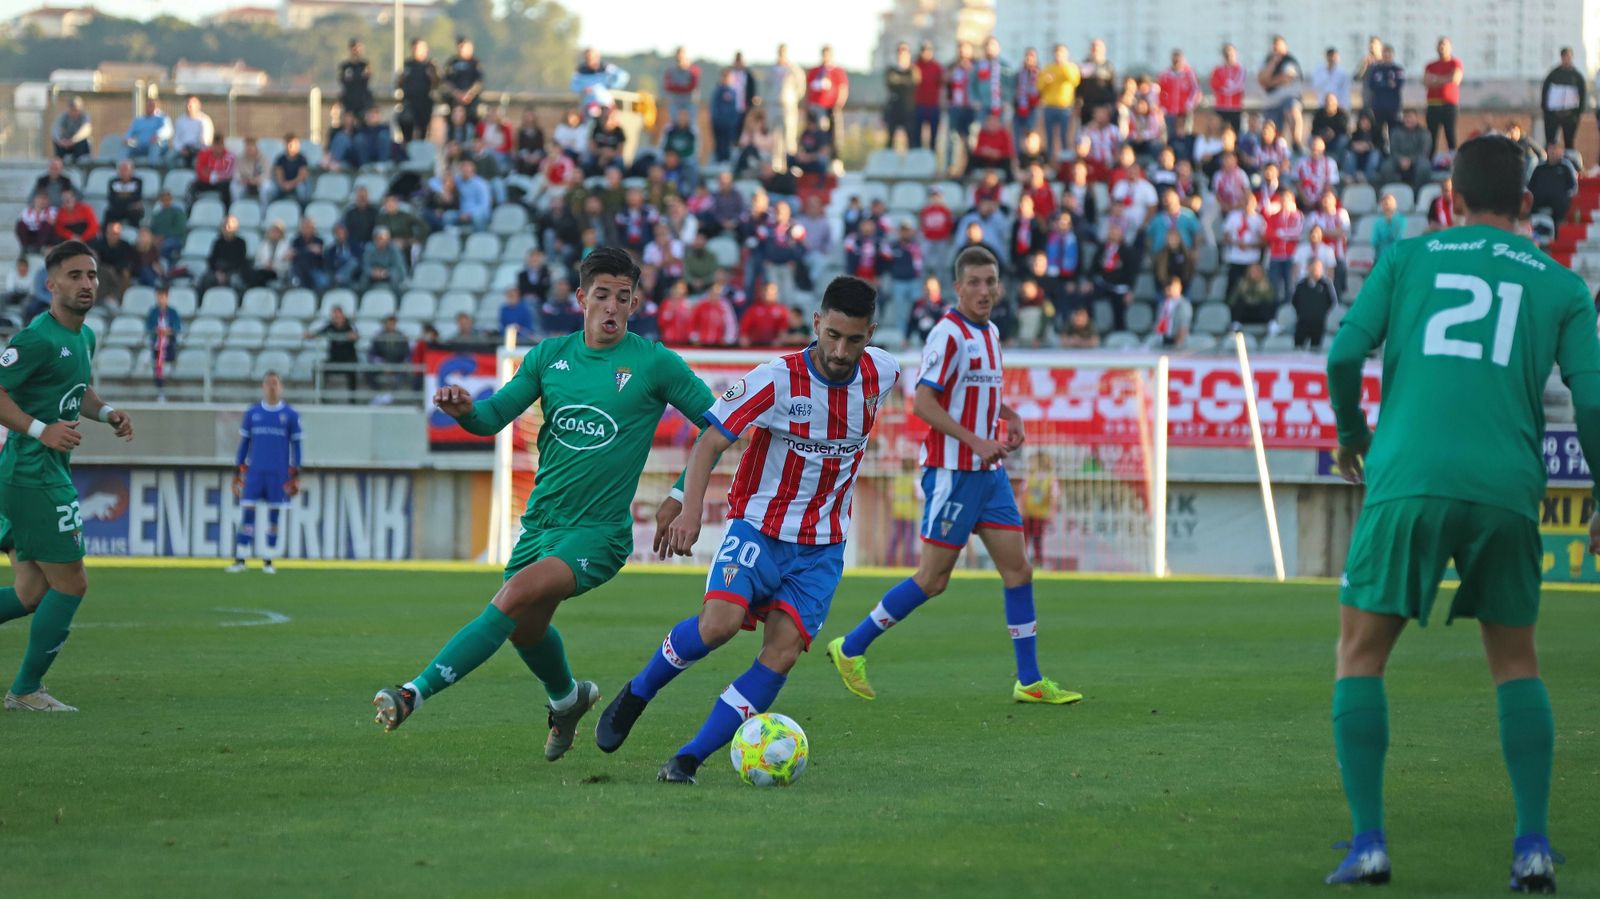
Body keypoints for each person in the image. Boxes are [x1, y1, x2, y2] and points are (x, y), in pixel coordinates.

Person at [1320, 134, 1600, 892]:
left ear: (1449, 195)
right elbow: (1594, 399)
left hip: (1408, 475)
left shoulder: (1409, 258)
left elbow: (1343, 357)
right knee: (1516, 662)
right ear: (1527, 205)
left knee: (1360, 653)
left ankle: (1371, 843)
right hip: (1508, 487)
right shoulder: (1562, 284)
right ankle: (1532, 845)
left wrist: (1354, 434)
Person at [370, 248, 718, 766]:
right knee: (526, 628)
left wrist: (678, 497)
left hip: (599, 533)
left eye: (623, 298)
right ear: (581, 298)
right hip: (541, 526)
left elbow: (719, 424)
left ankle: (410, 693)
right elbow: (492, 417)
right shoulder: (547, 357)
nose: (612, 308)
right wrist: (467, 412)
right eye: (602, 295)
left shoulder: (654, 362)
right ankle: (567, 700)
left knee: (513, 597)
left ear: (635, 303)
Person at [593, 276, 901, 784]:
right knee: (717, 625)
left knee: (779, 654)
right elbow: (710, 442)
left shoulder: (882, 373)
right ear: (817, 323)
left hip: (822, 548)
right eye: (833, 336)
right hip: (758, 529)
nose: (842, 351)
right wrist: (688, 508)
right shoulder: (776, 379)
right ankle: (638, 693)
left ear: (871, 333)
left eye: (855, 340)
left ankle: (688, 759)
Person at [828, 245, 1079, 705]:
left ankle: (1030, 680)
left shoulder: (991, 333)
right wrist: (976, 441)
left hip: (990, 474)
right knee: (932, 579)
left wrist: (1010, 415)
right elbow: (924, 401)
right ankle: (850, 647)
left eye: (991, 281)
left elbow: (977, 391)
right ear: (958, 287)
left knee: (1019, 570)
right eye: (975, 283)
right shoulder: (948, 334)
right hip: (954, 472)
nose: (985, 291)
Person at [0, 240, 136, 712]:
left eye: (92, 275)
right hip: (32, 471)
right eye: (75, 275)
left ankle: (25, 691)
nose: (86, 284)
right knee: (72, 583)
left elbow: (77, 391)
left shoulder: (84, 336)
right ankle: (25, 691)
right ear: (50, 284)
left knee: (31, 592)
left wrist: (109, 412)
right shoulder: (35, 338)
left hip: (45, 469)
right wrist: (42, 430)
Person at [227, 372, 302, 575]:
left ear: (281, 387)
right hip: (255, 472)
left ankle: (269, 560)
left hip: (278, 474)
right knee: (248, 513)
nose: (272, 387)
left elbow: (297, 445)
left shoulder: (290, 415)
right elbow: (244, 444)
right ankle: (241, 558)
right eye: (268, 383)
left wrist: (296, 472)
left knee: (274, 516)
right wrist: (238, 468)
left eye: (275, 383)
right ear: (262, 386)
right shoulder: (253, 413)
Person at [1528, 143, 1579, 241]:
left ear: (1561, 151)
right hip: (1539, 202)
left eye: (1556, 149)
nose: (1553, 152)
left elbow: (1573, 186)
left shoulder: (1565, 168)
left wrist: (1566, 196)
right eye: (1551, 149)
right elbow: (1531, 186)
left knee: (1560, 208)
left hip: (1559, 203)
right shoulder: (1539, 168)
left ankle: (1558, 238)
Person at [1423, 38, 1464, 159]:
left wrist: (1435, 79)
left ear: (1450, 47)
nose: (1442, 48)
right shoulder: (1430, 65)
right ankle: (1430, 162)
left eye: (1445, 45)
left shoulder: (1455, 63)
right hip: (1433, 105)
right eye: (1440, 45)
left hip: (1449, 105)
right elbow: (1426, 82)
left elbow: (1455, 80)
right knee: (1431, 137)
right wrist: (1445, 79)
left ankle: (1453, 164)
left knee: (1450, 135)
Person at [1039, 43, 1080, 162]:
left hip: (1065, 107)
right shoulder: (1048, 68)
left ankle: (1065, 159)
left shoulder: (1071, 67)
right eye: (1057, 53)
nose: (1059, 55)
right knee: (1049, 135)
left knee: (1064, 134)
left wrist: (1063, 66)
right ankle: (1049, 158)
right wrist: (1046, 81)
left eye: (1061, 53)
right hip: (1050, 106)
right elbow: (1039, 86)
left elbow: (1075, 80)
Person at [1540, 48, 1585, 150]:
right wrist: (1546, 110)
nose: (1566, 59)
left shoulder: (1577, 76)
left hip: (1570, 114)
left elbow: (1582, 95)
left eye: (1568, 56)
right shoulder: (1553, 74)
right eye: (1564, 56)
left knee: (1569, 142)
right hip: (1553, 114)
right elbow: (1545, 92)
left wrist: (1577, 113)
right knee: (1550, 141)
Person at [308, 306, 358, 397]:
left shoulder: (350, 325)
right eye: (334, 316)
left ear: (342, 315)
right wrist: (310, 335)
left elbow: (356, 336)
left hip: (348, 359)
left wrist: (352, 337)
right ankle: (321, 397)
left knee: (352, 370)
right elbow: (318, 333)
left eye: (338, 315)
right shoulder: (330, 326)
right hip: (334, 359)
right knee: (317, 368)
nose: (336, 318)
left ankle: (352, 399)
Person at [570, 47, 630, 121]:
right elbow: (573, 86)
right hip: (588, 107)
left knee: (609, 123)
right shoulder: (581, 71)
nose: (590, 60)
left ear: (598, 57)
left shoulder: (606, 69)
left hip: (606, 105)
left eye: (592, 57)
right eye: (588, 58)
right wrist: (583, 89)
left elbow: (623, 77)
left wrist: (613, 83)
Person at [398, 39, 440, 143]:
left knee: (422, 131)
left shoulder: (430, 65)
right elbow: (399, 84)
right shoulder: (407, 64)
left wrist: (433, 74)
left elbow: (437, 84)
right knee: (406, 124)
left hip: (424, 102)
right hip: (409, 101)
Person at [769, 44, 807, 157]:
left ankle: (790, 163)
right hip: (774, 105)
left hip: (788, 105)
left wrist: (794, 98)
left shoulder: (793, 69)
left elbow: (801, 86)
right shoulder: (772, 69)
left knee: (789, 136)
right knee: (774, 137)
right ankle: (774, 165)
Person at [1290, 257, 1336, 349]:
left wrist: (1321, 313)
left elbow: (1331, 302)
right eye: (1314, 267)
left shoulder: (1326, 285)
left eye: (1319, 267)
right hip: (1302, 323)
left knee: (1316, 348)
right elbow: (1295, 302)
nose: (1316, 270)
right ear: (1308, 267)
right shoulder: (1301, 285)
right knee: (1298, 347)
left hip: (1319, 323)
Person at [806, 45, 850, 139]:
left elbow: (843, 88)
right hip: (817, 106)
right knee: (819, 130)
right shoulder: (815, 71)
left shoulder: (838, 71)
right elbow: (809, 88)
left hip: (831, 107)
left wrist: (839, 104)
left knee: (833, 133)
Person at [145, 285, 180, 399]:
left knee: (166, 362)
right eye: (159, 297)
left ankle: (168, 389)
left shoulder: (173, 312)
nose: (161, 299)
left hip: (169, 344)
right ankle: (160, 390)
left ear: (167, 297)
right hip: (156, 344)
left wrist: (167, 332)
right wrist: (157, 331)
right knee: (157, 364)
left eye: (163, 296)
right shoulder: (153, 312)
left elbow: (177, 327)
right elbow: (149, 326)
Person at [442, 37, 485, 125]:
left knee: (474, 117)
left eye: (464, 47)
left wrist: (469, 94)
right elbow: (446, 81)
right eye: (460, 47)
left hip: (471, 100)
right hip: (454, 99)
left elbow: (479, 82)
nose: (461, 49)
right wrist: (456, 93)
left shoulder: (475, 63)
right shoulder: (452, 62)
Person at [884, 42, 919, 149]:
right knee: (890, 138)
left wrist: (899, 80)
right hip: (894, 108)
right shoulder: (891, 70)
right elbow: (890, 82)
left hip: (908, 109)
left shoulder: (913, 70)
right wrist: (904, 82)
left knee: (911, 138)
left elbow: (913, 83)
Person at [190, 133, 236, 213]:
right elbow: (200, 171)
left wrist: (210, 172)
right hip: (207, 181)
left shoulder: (230, 156)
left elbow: (229, 174)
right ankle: (190, 211)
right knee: (193, 186)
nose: (218, 148)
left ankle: (226, 212)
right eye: (216, 145)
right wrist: (212, 177)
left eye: (220, 145)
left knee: (227, 188)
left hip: (222, 183)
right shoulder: (204, 154)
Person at [911, 42, 944, 153]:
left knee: (933, 137)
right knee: (917, 135)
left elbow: (943, 82)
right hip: (919, 105)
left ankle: (932, 160)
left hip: (933, 105)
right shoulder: (915, 66)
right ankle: (917, 158)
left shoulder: (937, 67)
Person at [263, 135, 311, 204]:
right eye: (290, 144)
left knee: (302, 189)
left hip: (296, 183)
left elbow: (301, 176)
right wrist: (283, 184)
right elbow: (278, 174)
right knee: (270, 189)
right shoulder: (280, 158)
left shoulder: (302, 158)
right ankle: (273, 207)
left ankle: (302, 209)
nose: (293, 146)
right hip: (283, 184)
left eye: (296, 144)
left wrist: (290, 184)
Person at [1210, 43, 1246, 134]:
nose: (1229, 57)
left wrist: (1225, 86)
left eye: (1231, 54)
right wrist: (1227, 85)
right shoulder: (1217, 70)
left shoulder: (1240, 69)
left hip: (1235, 108)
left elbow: (1238, 86)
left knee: (1235, 133)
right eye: (1226, 54)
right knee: (1218, 133)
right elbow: (1214, 84)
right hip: (1221, 107)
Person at [1227, 261, 1276, 327]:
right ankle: (1235, 324)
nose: (1254, 273)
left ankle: (1272, 325)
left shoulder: (1266, 284)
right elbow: (1232, 300)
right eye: (1252, 271)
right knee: (1239, 302)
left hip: (1260, 315)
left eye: (1256, 271)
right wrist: (1241, 291)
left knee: (1265, 304)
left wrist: (1261, 291)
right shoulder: (1242, 283)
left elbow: (1271, 300)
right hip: (1245, 315)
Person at [123, 97, 172, 162]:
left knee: (154, 147)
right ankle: (121, 168)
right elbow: (129, 132)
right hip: (140, 147)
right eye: (149, 105)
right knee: (125, 148)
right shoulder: (138, 120)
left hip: (158, 147)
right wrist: (127, 139)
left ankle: (152, 169)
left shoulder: (162, 118)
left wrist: (158, 135)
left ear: (157, 106)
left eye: (153, 105)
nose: (151, 107)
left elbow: (168, 130)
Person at [206, 215, 249, 288]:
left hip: (234, 271)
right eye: (224, 226)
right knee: (206, 279)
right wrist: (218, 272)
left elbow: (240, 261)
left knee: (235, 280)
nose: (226, 228)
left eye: (229, 226)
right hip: (218, 270)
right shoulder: (218, 242)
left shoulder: (240, 243)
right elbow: (212, 259)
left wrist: (226, 273)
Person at [170, 97, 214, 169]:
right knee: (169, 158)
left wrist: (193, 149)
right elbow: (176, 139)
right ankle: (175, 177)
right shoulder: (180, 120)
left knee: (197, 161)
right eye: (187, 104)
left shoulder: (205, 120)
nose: (188, 107)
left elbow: (206, 141)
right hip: (182, 149)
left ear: (198, 106)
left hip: (198, 149)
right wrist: (181, 149)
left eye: (191, 105)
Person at [1153, 275, 1192, 348]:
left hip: (1177, 341)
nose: (1168, 291)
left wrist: (1178, 343)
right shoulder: (1163, 304)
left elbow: (1184, 325)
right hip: (1164, 339)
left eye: (1170, 288)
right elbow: (1159, 321)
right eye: (1167, 288)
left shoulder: (1184, 305)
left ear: (1179, 288)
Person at [338, 40, 373, 120]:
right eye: (354, 49)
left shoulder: (364, 64)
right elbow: (342, 81)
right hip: (349, 101)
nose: (356, 51)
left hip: (362, 101)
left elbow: (366, 79)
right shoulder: (345, 66)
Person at [50, 97, 91, 162]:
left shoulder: (84, 117)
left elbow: (85, 131)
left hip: (79, 144)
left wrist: (73, 140)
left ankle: (78, 164)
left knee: (82, 142)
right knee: (57, 144)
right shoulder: (64, 116)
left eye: (76, 109)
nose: (74, 112)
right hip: (66, 143)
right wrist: (60, 141)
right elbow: (55, 128)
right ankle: (58, 163)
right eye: (72, 109)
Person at [1370, 192, 1406, 262]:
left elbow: (1398, 238)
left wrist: (1389, 224)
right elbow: (1374, 241)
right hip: (1381, 258)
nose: (1386, 207)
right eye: (1384, 204)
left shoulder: (1401, 220)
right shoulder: (1378, 222)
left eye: (1388, 204)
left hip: (1396, 258)